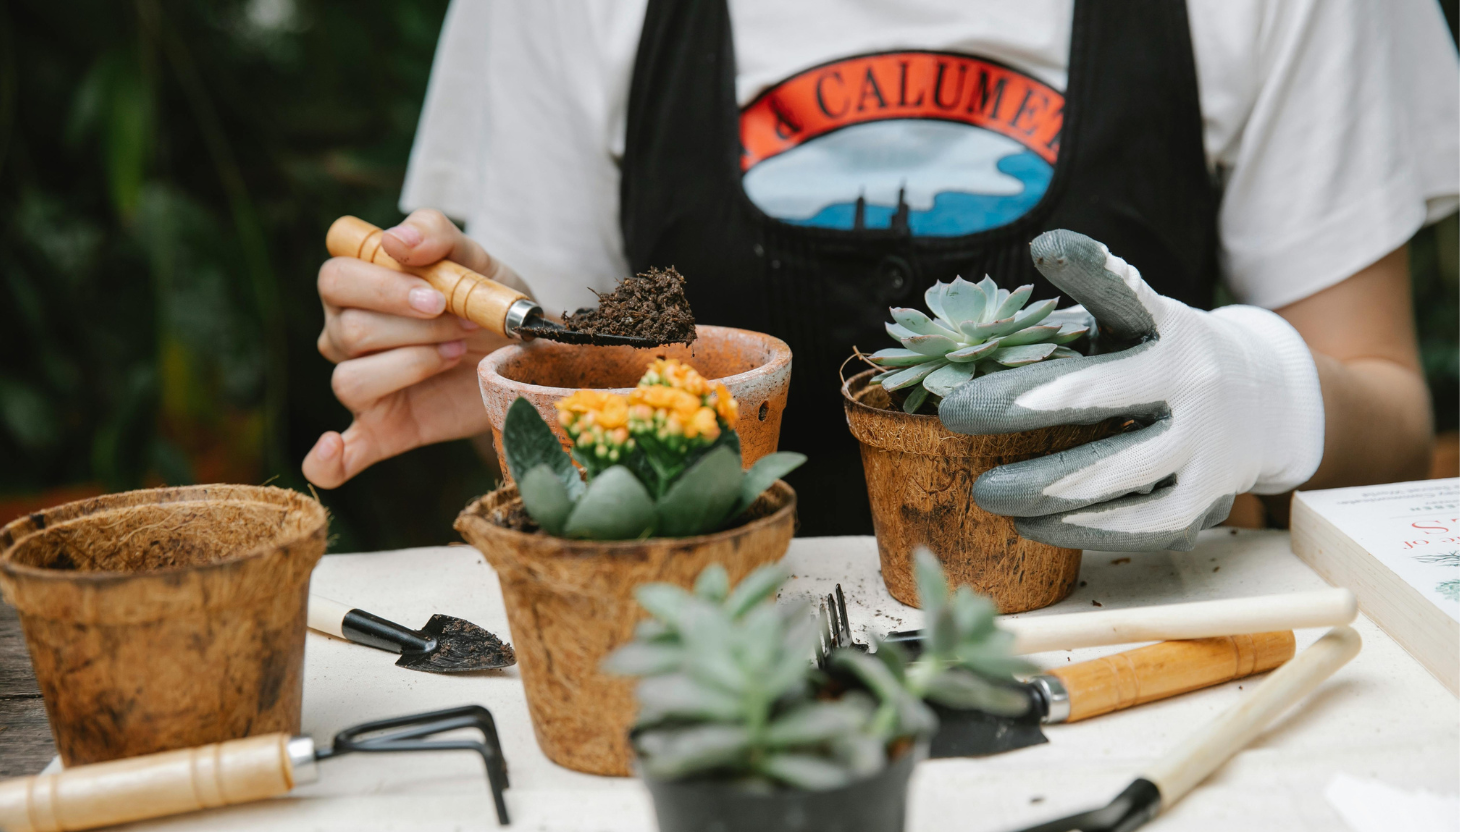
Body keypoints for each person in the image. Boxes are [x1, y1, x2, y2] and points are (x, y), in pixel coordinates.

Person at [305, 0, 1458, 546]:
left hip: (1146, 649)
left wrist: (1262, 396)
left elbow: (1390, 426)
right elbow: (555, 394)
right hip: (721, 661)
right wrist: (517, 383)